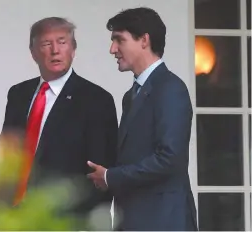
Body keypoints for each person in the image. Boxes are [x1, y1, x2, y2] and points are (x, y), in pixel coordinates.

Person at [0, 17, 118, 230]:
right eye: (46, 44)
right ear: (33, 52)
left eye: (62, 42)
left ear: (73, 49)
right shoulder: (19, 94)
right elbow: (5, 162)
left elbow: (100, 176)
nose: (55, 50)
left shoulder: (96, 100)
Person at [87, 7, 198, 231]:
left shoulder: (170, 88)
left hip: (163, 221)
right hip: (135, 221)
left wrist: (111, 176)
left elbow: (169, 159)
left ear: (144, 40)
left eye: (119, 40)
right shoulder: (131, 95)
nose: (112, 49)